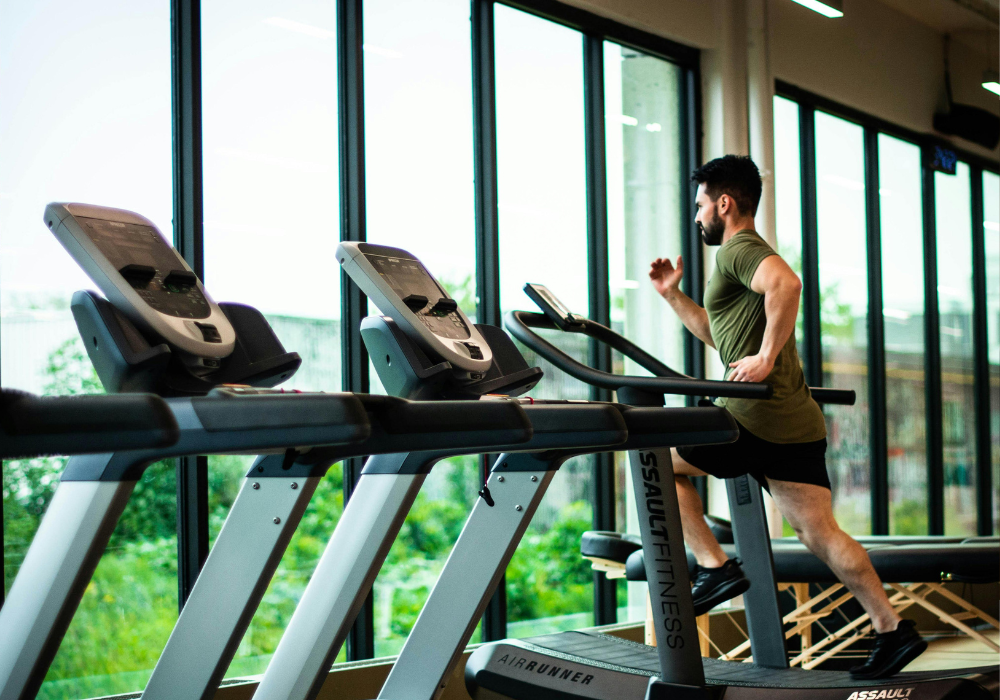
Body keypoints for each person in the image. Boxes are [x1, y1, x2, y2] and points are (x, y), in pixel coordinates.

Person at [648, 155, 926, 679]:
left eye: (700, 205)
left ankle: (715, 568)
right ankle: (892, 629)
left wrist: (767, 358)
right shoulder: (740, 260)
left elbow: (788, 286)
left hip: (750, 416)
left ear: (723, 204)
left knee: (654, 460)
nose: (698, 216)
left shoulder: (739, 250)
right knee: (821, 534)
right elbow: (720, 334)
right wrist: (673, 296)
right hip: (794, 421)